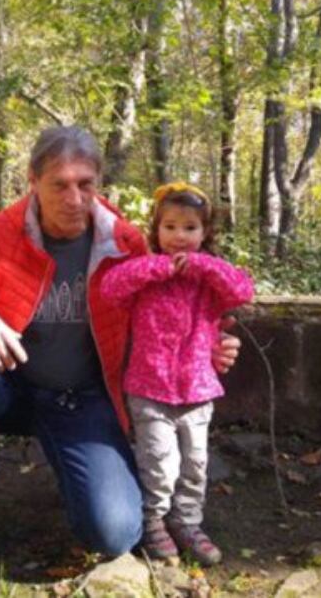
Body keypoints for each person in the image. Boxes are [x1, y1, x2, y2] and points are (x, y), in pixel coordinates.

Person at [0, 126, 242, 588]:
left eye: (85, 183)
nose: (74, 197)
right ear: (32, 180)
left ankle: (78, 469)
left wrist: (208, 346)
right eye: (59, 184)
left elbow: (167, 315)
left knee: (115, 532)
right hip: (7, 387)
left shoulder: (124, 243)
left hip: (80, 399)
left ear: (99, 183)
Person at [98, 182, 253, 565]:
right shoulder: (144, 274)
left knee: (195, 464)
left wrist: (202, 265)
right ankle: (153, 523)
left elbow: (242, 290)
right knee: (159, 463)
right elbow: (110, 288)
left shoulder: (209, 277)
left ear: (205, 233)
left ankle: (186, 522)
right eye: (169, 226)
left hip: (198, 391)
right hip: (149, 389)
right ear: (156, 230)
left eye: (189, 228)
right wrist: (159, 268)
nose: (179, 236)